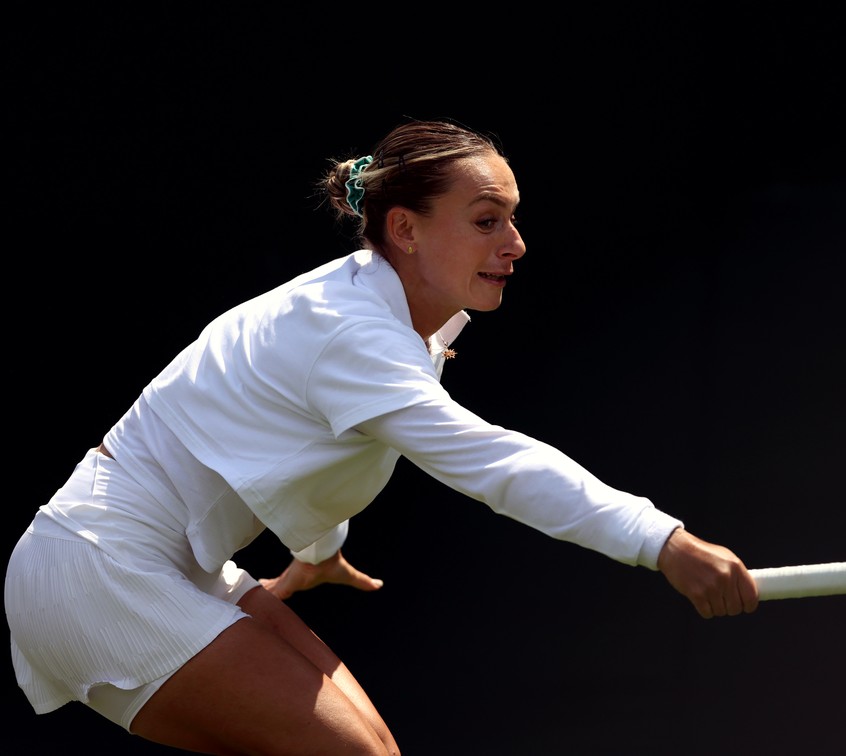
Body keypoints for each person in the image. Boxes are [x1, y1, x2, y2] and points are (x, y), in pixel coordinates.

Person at [4, 118, 759, 754]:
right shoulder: (354, 333)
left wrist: (316, 549)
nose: (518, 243)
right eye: (488, 219)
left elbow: (296, 445)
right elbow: (497, 463)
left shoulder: (370, 316)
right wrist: (662, 540)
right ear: (405, 228)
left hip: (144, 565)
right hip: (97, 570)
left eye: (514, 217)